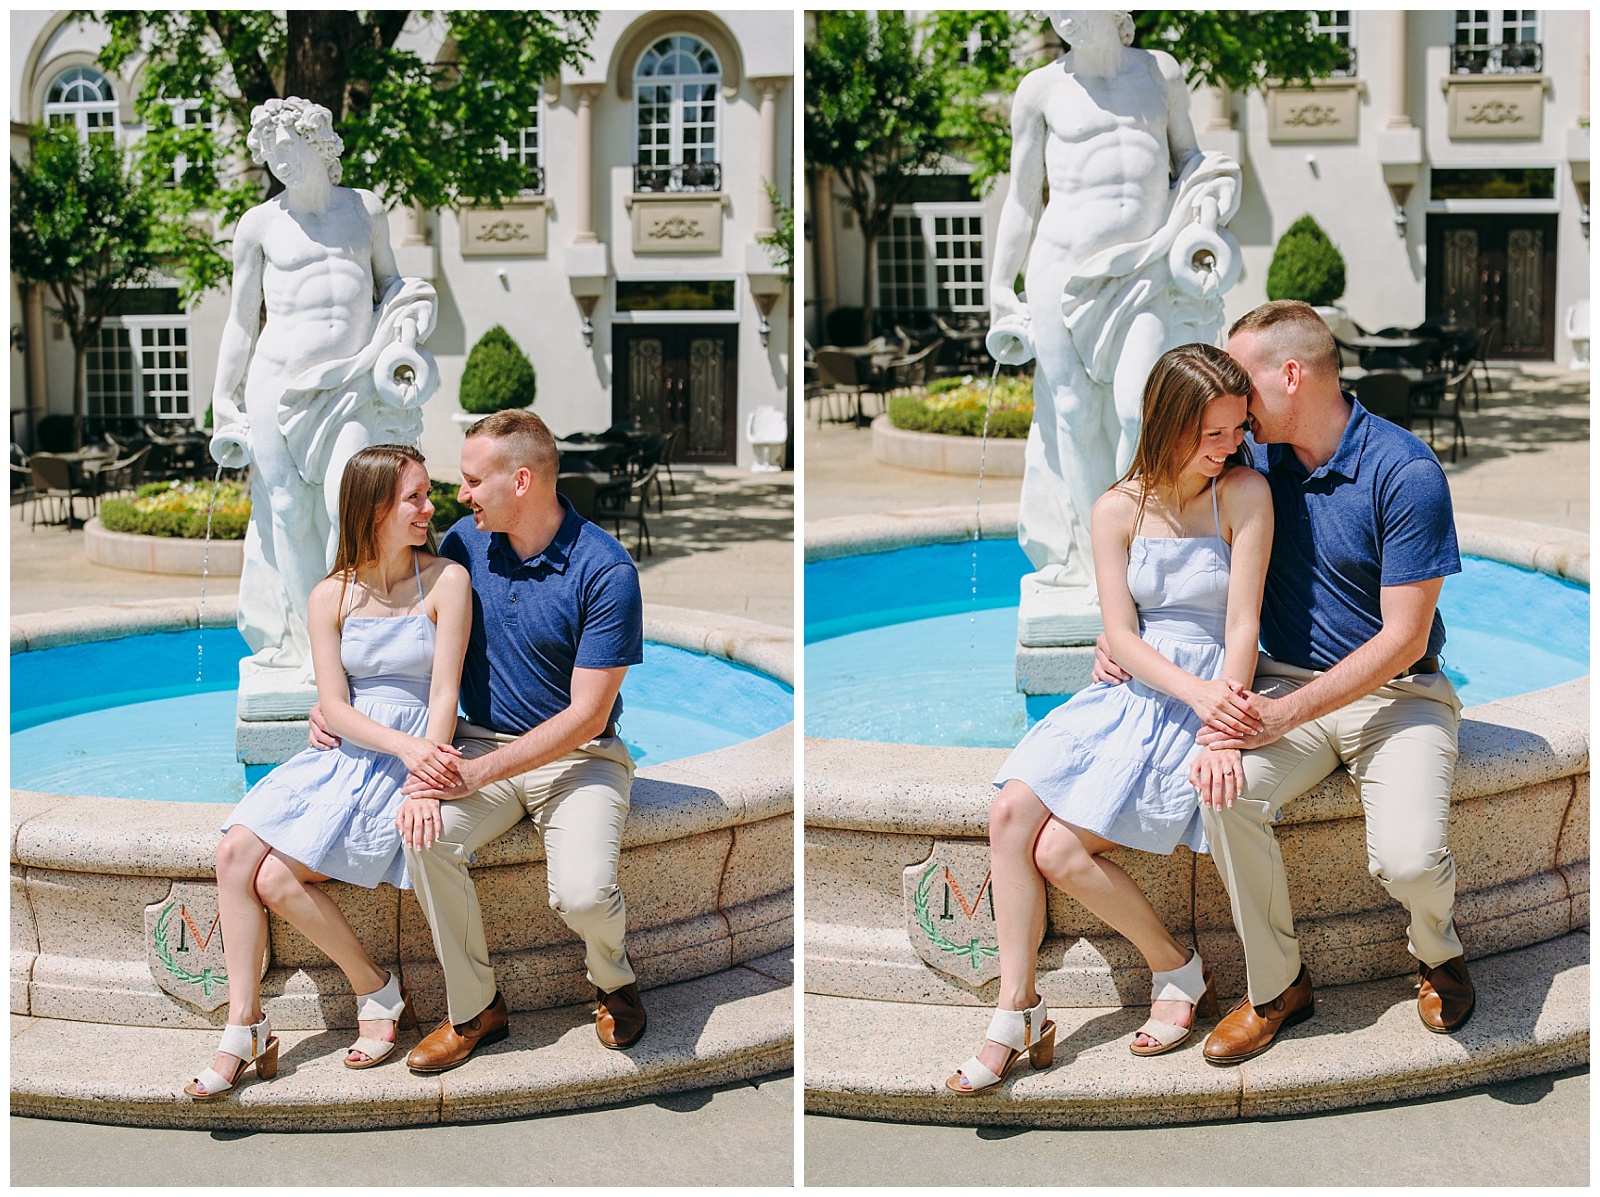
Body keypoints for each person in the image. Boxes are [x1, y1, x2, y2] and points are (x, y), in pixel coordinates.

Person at [1096, 300, 1474, 1065]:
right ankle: (1279, 986)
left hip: (1398, 698)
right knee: (1222, 788)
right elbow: (1161, 530)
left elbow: (1402, 637)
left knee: (1409, 859)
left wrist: (1283, 712)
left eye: (1245, 381)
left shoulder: (1405, 470)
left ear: (1291, 374)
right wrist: (1114, 631)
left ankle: (1438, 950)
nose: (1232, 405)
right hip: (1283, 687)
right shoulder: (1248, 461)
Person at [947, 344, 1273, 1095]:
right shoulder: (1116, 506)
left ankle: (1178, 969)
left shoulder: (1247, 493)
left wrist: (1217, 716)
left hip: (1209, 692)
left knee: (1059, 853)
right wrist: (1185, 691)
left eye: (1236, 429)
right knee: (1009, 812)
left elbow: (1244, 626)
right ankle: (1018, 1006)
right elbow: (1121, 634)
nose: (1229, 447)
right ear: (1168, 425)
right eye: (1213, 433)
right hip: (1136, 686)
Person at [309, 410, 648, 1070]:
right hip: (478, 742)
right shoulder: (466, 545)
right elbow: (382, 621)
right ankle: (476, 1008)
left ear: (520, 480)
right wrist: (326, 706)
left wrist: (475, 773)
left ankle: (614, 978)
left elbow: (586, 714)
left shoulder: (606, 570)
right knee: (424, 833)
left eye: (470, 481)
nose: (456, 497)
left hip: (582, 758)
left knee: (582, 893)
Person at [187, 445, 472, 1099]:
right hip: (344, 751)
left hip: (412, 758)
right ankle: (245, 1023)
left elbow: (444, 696)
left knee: (278, 878)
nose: (431, 508)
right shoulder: (330, 594)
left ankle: (375, 987)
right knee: (235, 851)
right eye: (416, 497)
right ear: (375, 508)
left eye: (430, 494)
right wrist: (386, 742)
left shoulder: (446, 582)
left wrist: (421, 771)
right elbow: (336, 705)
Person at [985, 10, 1241, 624]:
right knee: (1073, 414)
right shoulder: (1040, 89)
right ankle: (1097, 564)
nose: (1064, 13)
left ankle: (1137, 545)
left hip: (1143, 268)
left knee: (1138, 410)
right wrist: (998, 284)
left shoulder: (1160, 74)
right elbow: (1022, 200)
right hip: (1059, 267)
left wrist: (1205, 205)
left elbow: (1189, 159)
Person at [210, 97, 437, 682]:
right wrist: (221, 395)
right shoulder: (258, 224)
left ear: (319, 144)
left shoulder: (365, 211)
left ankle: (348, 627)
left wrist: (406, 319)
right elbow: (241, 320)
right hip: (275, 378)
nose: (280, 161)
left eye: (289, 149)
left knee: (350, 505)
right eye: (270, 153)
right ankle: (310, 644)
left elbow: (390, 283)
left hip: (350, 383)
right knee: (286, 511)